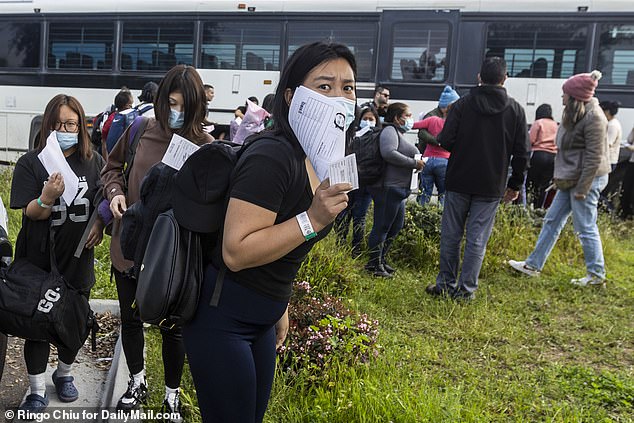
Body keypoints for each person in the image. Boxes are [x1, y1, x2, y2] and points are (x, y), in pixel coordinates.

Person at [182, 41, 354, 423]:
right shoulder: (273, 156)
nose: (339, 98)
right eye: (325, 86)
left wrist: (282, 306)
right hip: (222, 319)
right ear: (292, 97)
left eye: (348, 88)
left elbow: (285, 248)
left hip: (262, 317)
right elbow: (236, 251)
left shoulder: (321, 158)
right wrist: (313, 219)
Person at [101, 64, 213, 418]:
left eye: (184, 106)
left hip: (174, 258)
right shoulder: (139, 130)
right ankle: (137, 382)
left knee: (172, 328)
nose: (175, 112)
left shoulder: (206, 147)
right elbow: (112, 166)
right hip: (128, 246)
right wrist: (115, 192)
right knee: (130, 321)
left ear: (197, 107)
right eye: (170, 103)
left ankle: (172, 394)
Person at [10, 94, 105, 412]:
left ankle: (64, 374)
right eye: (59, 123)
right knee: (35, 323)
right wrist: (47, 196)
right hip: (37, 259)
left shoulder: (93, 161)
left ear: (81, 127)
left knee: (75, 322)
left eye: (72, 124)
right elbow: (30, 213)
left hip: (77, 258)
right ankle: (36, 389)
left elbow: (103, 199)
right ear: (47, 125)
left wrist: (101, 223)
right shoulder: (31, 162)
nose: (65, 129)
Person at [426, 57, 530, 300]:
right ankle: (466, 290)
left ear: (479, 78)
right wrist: (514, 185)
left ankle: (445, 284)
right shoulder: (515, 110)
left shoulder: (462, 105)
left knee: (451, 234)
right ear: (505, 79)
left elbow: (445, 140)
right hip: (491, 184)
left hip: (459, 178)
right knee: (477, 238)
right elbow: (523, 153)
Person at [509, 70, 610, 287]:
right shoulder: (574, 114)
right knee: (552, 220)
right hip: (571, 178)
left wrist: (582, 188)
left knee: (585, 225)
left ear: (575, 97)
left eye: (565, 94)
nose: (562, 98)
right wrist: (561, 177)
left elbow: (594, 158)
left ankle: (596, 275)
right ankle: (533, 265)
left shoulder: (594, 118)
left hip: (586, 180)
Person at [365, 102, 425, 277]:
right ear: (397, 118)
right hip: (388, 187)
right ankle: (373, 264)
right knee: (382, 226)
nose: (410, 119)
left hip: (398, 189)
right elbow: (388, 152)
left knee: (395, 226)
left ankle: (381, 260)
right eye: (407, 115)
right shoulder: (389, 131)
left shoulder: (398, 133)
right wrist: (414, 163)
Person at [334, 105, 380, 256]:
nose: (367, 122)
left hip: (366, 182)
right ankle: (339, 245)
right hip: (349, 181)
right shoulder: (352, 134)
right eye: (365, 119)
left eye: (370, 119)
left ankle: (356, 249)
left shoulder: (378, 136)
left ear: (376, 121)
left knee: (360, 217)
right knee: (343, 214)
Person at [414, 85, 460, 206]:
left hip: (427, 160)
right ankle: (441, 219)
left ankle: (420, 214)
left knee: (424, 192)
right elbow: (422, 133)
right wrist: (439, 142)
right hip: (443, 160)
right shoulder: (448, 121)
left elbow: (415, 126)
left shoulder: (432, 118)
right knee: (443, 193)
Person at [527, 104, 559, 209]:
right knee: (544, 184)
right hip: (552, 157)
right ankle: (538, 207)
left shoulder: (538, 123)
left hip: (539, 155)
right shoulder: (556, 125)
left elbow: (531, 140)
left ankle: (528, 204)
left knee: (531, 182)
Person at [620, 126, 634, 219]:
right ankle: (625, 212)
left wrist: (628, 146)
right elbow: (629, 140)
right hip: (632, 162)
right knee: (626, 188)